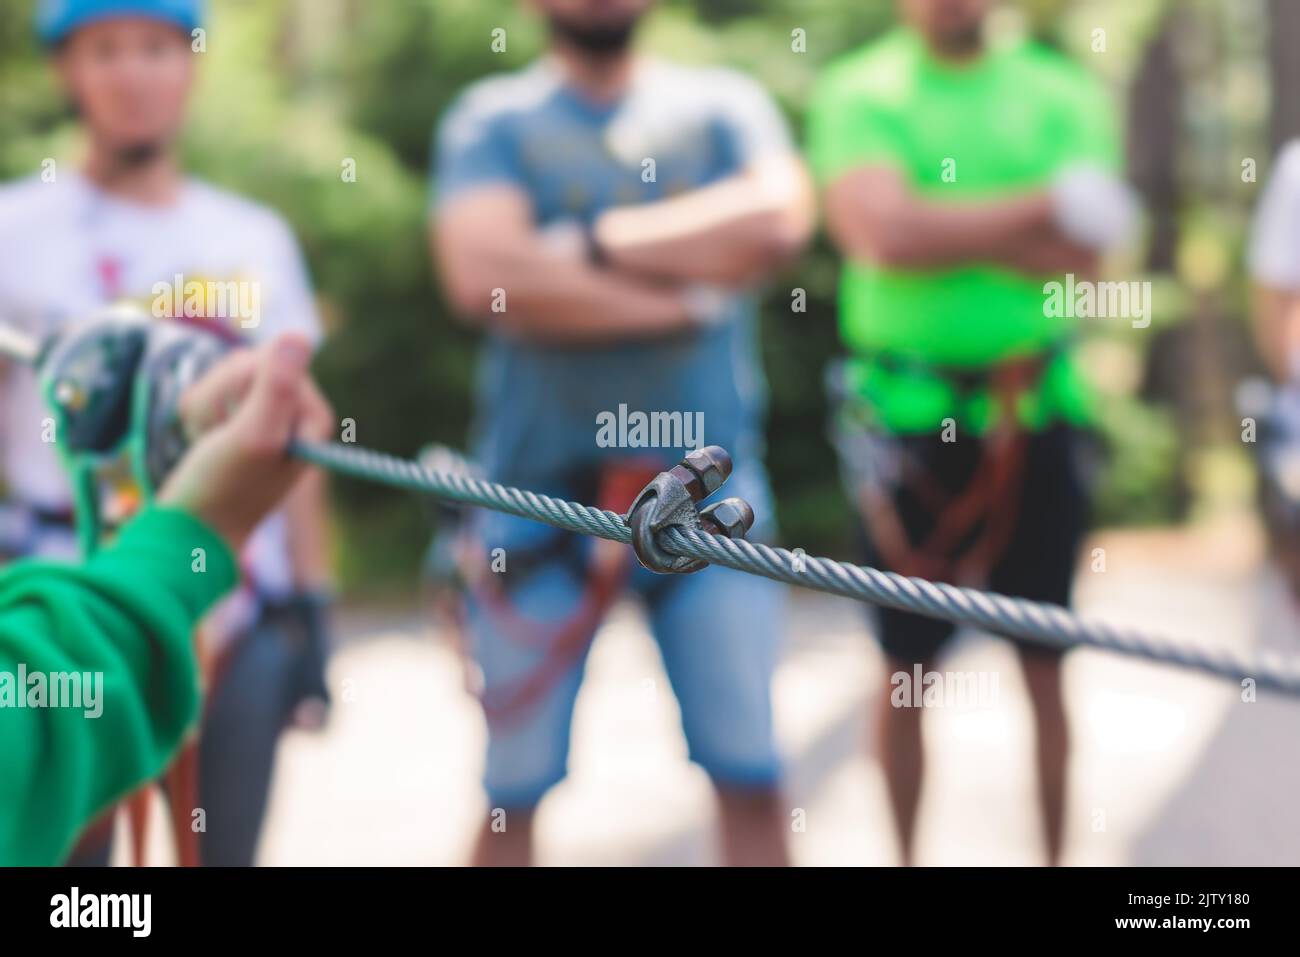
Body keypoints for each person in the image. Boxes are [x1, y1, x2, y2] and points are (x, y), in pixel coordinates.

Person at [431, 0, 814, 865]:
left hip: (713, 507)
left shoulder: (723, 103)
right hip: (535, 503)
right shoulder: (492, 118)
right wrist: (682, 297)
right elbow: (485, 273)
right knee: (509, 794)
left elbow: (775, 222)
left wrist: (586, 245)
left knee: (752, 772)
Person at [0, 0, 332, 865]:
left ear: (192, 67)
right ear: (66, 70)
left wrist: (311, 600)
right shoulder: (14, 231)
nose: (133, 75)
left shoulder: (251, 238)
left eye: (156, 49)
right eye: (105, 51)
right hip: (66, 582)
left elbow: (296, 438)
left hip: (232, 599)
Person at [807, 0, 1134, 865]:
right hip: (904, 428)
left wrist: (934, 225)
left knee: (1047, 665)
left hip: (1036, 418)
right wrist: (1042, 206)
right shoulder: (858, 90)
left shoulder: (1061, 90)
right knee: (905, 668)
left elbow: (1089, 257)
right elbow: (881, 233)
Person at [0, 334, 333, 867]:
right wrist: (197, 534)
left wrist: (309, 604)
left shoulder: (260, 247)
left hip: (218, 622)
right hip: (89, 607)